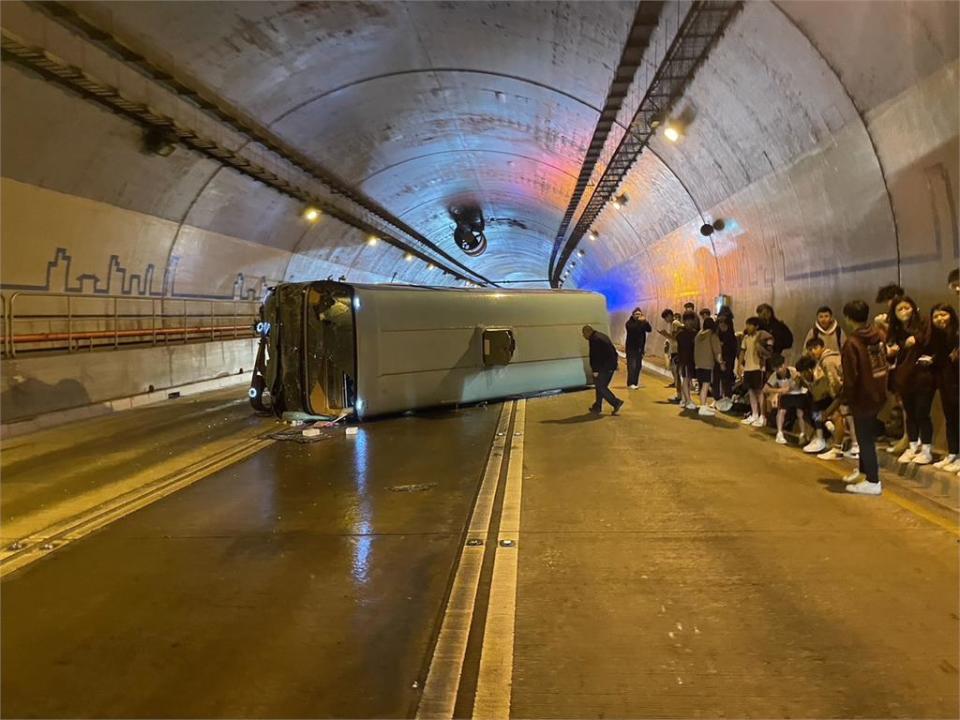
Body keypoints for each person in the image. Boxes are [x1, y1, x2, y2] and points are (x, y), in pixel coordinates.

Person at [837, 300, 888, 495]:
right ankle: (863, 472)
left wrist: (845, 401)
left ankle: (873, 481)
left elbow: (851, 377)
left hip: (862, 396)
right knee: (865, 435)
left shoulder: (852, 343)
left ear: (848, 318)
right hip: (878, 392)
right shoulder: (878, 335)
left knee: (865, 438)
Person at [886, 296, 935, 464]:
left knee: (923, 413)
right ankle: (913, 446)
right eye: (899, 309)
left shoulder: (923, 324)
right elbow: (890, 352)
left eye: (907, 307)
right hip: (904, 377)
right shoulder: (896, 330)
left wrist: (916, 339)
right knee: (910, 414)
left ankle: (927, 449)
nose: (904, 311)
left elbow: (930, 342)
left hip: (922, 377)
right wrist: (891, 351)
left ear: (914, 308)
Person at [927, 303, 959, 472]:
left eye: (943, 315)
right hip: (946, 383)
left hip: (956, 382)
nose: (940, 319)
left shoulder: (957, 334)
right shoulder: (937, 338)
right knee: (951, 418)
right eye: (936, 316)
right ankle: (953, 453)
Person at [802, 337, 843, 456]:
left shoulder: (827, 361)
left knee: (838, 416)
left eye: (815, 348)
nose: (813, 352)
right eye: (810, 349)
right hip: (842, 392)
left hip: (843, 392)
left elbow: (834, 382)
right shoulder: (828, 359)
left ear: (822, 347)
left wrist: (836, 398)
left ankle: (837, 448)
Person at [763, 355, 808, 444]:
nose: (779, 369)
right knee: (781, 411)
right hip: (785, 396)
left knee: (800, 413)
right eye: (776, 368)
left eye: (781, 366)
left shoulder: (793, 371)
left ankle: (803, 434)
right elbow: (765, 389)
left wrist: (786, 389)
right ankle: (779, 433)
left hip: (799, 394)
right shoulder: (775, 375)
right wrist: (778, 390)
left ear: (784, 364)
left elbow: (796, 384)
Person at [737, 316, 773, 426]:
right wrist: (739, 365)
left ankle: (763, 417)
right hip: (748, 368)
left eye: (750, 325)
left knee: (759, 392)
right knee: (751, 392)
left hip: (759, 368)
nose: (748, 327)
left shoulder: (762, 337)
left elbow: (769, 350)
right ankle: (754, 414)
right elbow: (742, 352)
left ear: (756, 326)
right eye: (747, 324)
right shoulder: (746, 338)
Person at [582, 325, 624, 415]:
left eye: (583, 334)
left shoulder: (595, 340)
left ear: (587, 332)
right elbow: (613, 350)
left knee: (601, 387)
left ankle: (616, 402)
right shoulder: (601, 336)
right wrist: (615, 364)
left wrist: (595, 370)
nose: (583, 336)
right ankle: (597, 406)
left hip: (605, 367)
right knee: (600, 386)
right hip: (610, 365)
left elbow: (595, 356)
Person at [694, 317, 723, 416]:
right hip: (707, 364)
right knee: (706, 385)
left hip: (698, 363)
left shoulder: (699, 334)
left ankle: (703, 404)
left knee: (702, 385)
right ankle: (702, 407)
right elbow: (717, 350)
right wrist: (721, 362)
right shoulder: (712, 335)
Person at [714, 312, 738, 412]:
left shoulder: (731, 337)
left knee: (726, 380)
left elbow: (732, 352)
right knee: (716, 380)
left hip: (727, 361)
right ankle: (717, 400)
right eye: (720, 323)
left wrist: (724, 362)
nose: (722, 325)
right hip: (717, 361)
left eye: (724, 323)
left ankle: (727, 400)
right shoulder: (717, 335)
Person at [675, 311, 699, 410]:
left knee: (688, 380)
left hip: (691, 360)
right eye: (687, 320)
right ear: (684, 321)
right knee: (686, 379)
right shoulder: (682, 334)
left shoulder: (695, 333)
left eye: (691, 320)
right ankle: (688, 400)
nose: (689, 322)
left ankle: (685, 399)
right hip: (684, 360)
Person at [624, 308, 652, 389]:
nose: (638, 316)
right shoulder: (629, 323)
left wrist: (645, 321)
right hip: (631, 348)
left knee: (638, 366)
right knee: (631, 366)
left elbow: (649, 329)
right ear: (632, 315)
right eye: (636, 314)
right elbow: (633, 329)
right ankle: (630, 383)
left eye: (639, 314)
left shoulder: (642, 323)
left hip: (640, 348)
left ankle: (635, 383)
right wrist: (640, 322)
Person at [659, 309, 682, 402]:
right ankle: (679, 394)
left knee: (677, 374)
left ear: (669, 316)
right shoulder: (674, 324)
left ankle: (680, 395)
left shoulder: (675, 324)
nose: (665, 320)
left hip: (677, 351)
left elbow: (676, 338)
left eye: (665, 318)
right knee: (676, 373)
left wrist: (665, 334)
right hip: (675, 350)